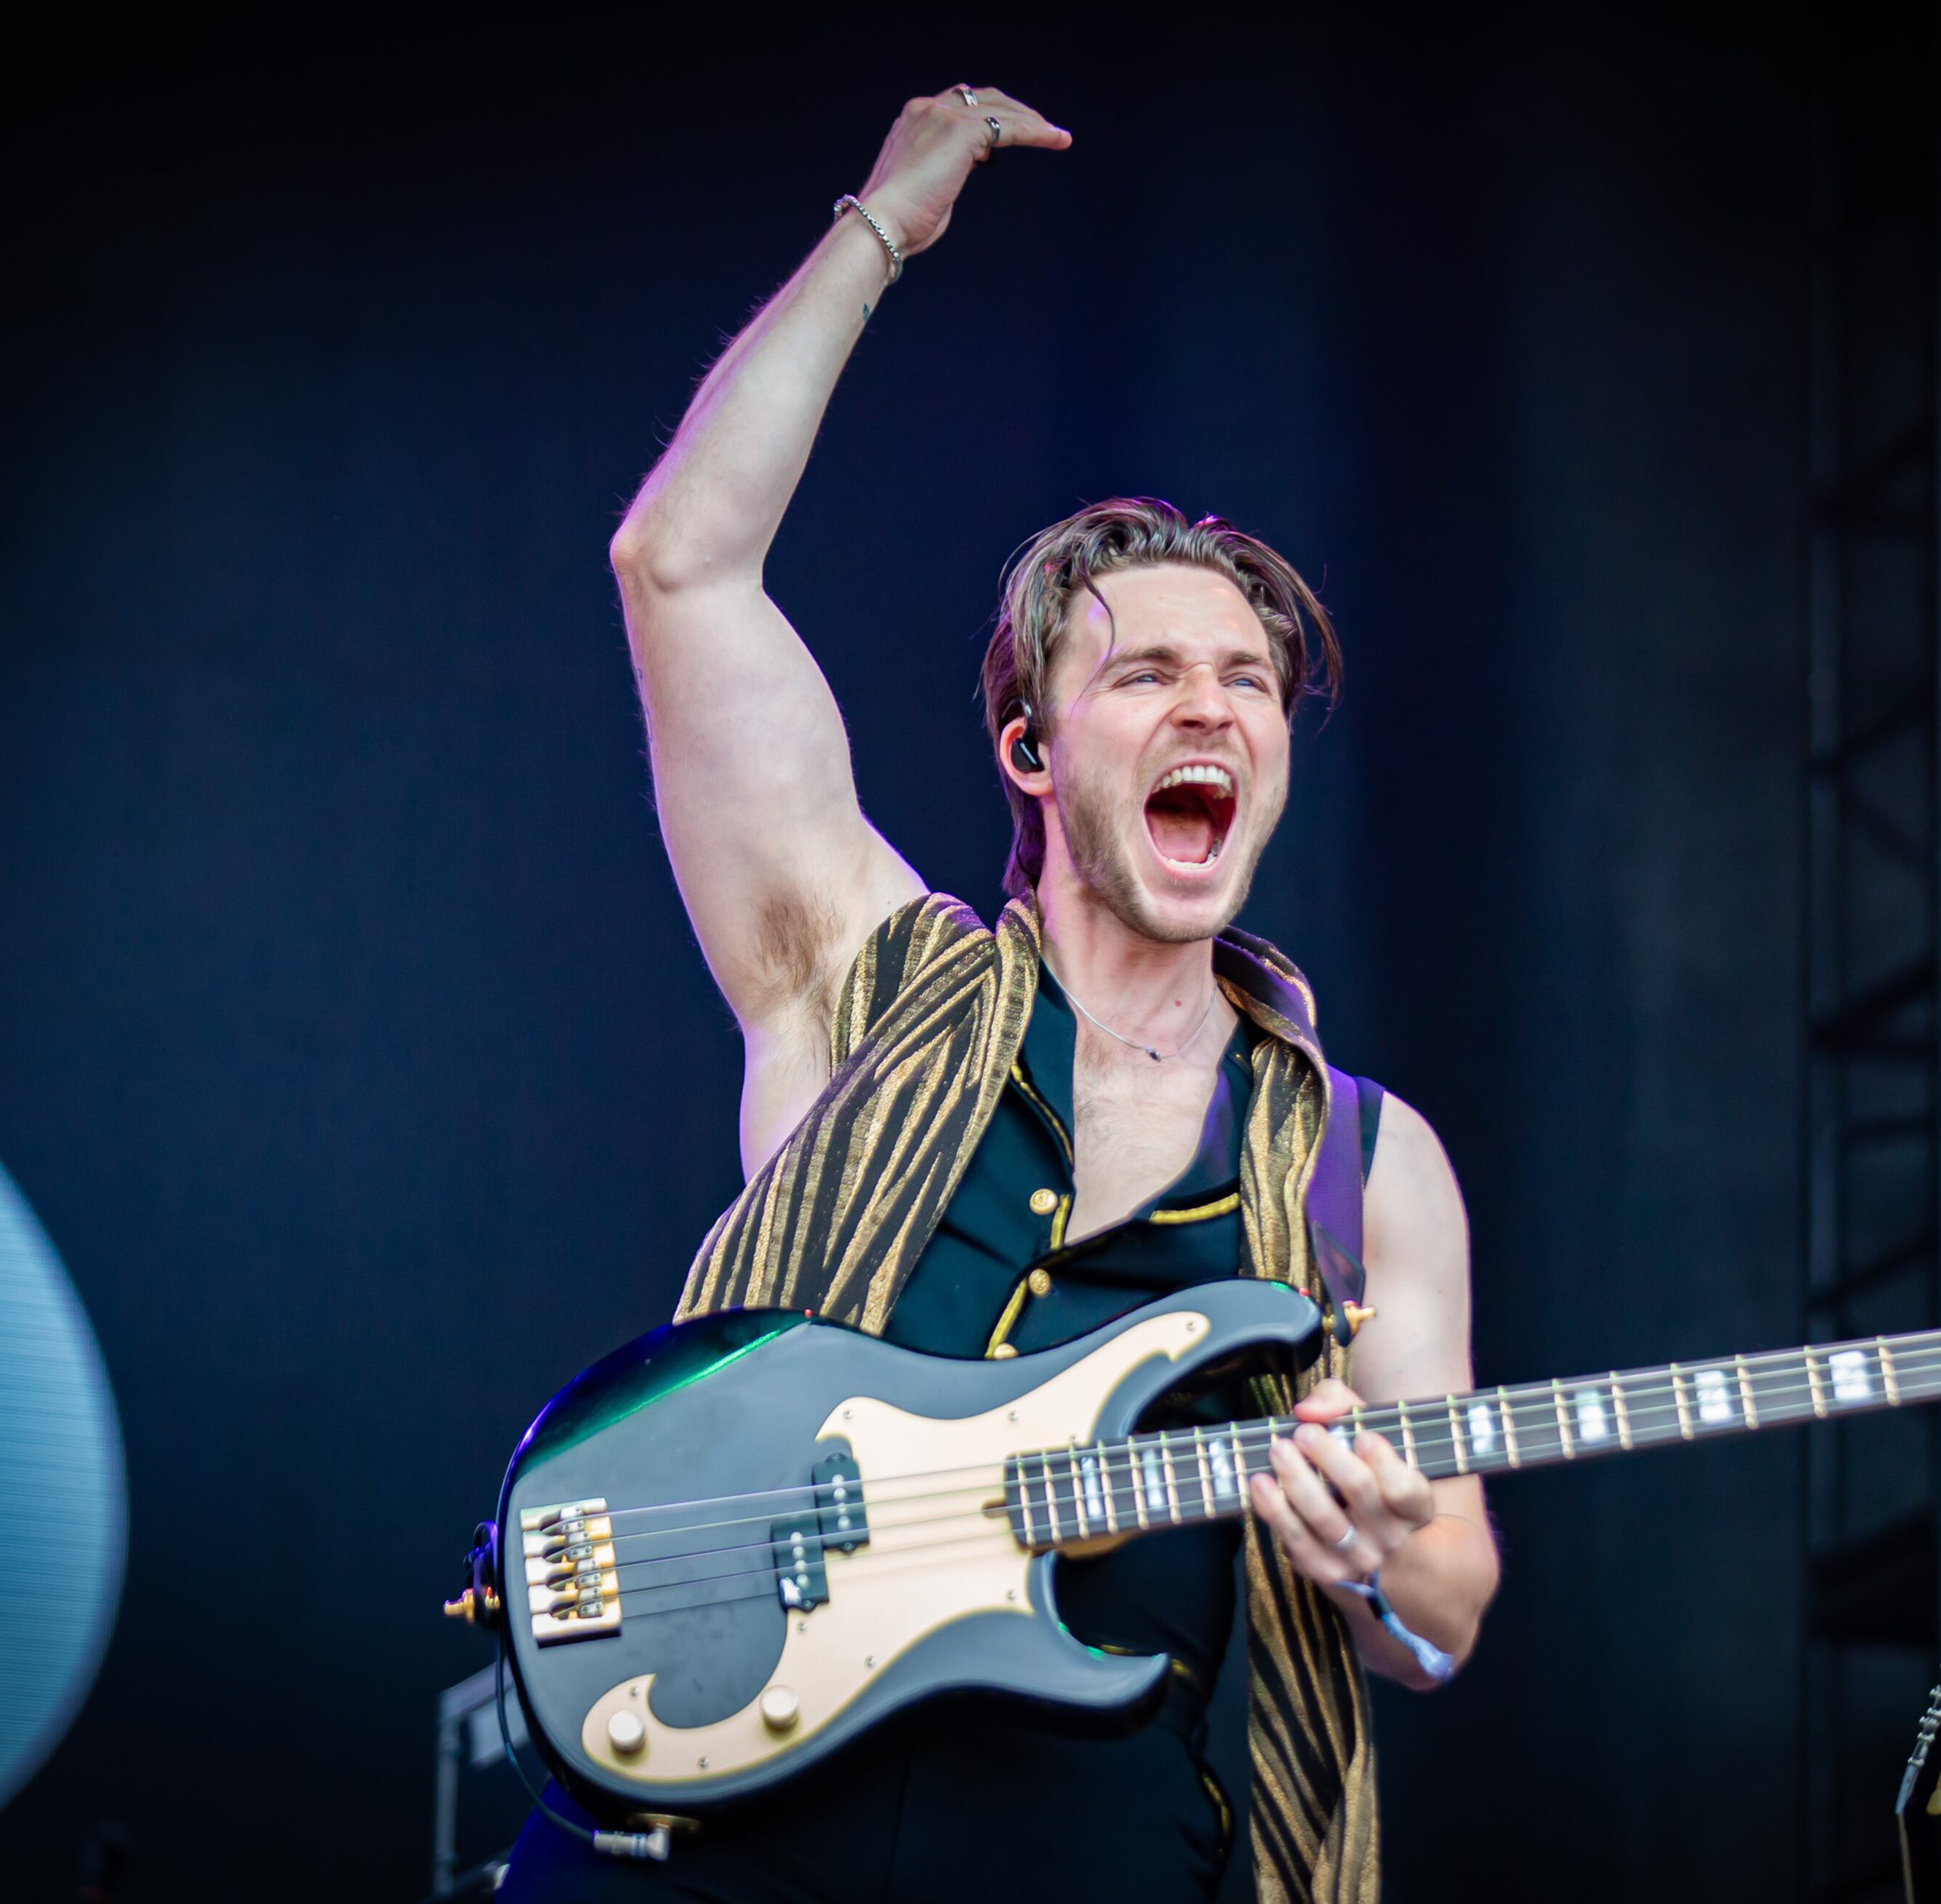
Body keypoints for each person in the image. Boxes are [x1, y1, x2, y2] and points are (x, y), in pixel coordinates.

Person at [496, 84, 1499, 1904]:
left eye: (1249, 682)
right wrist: (878, 231)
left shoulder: (1365, 1162)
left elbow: (1442, 1606)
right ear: (1032, 748)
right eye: (1150, 674)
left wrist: (1378, 1553)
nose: (1211, 708)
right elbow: (680, 565)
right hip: (703, 1839)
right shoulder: (866, 974)